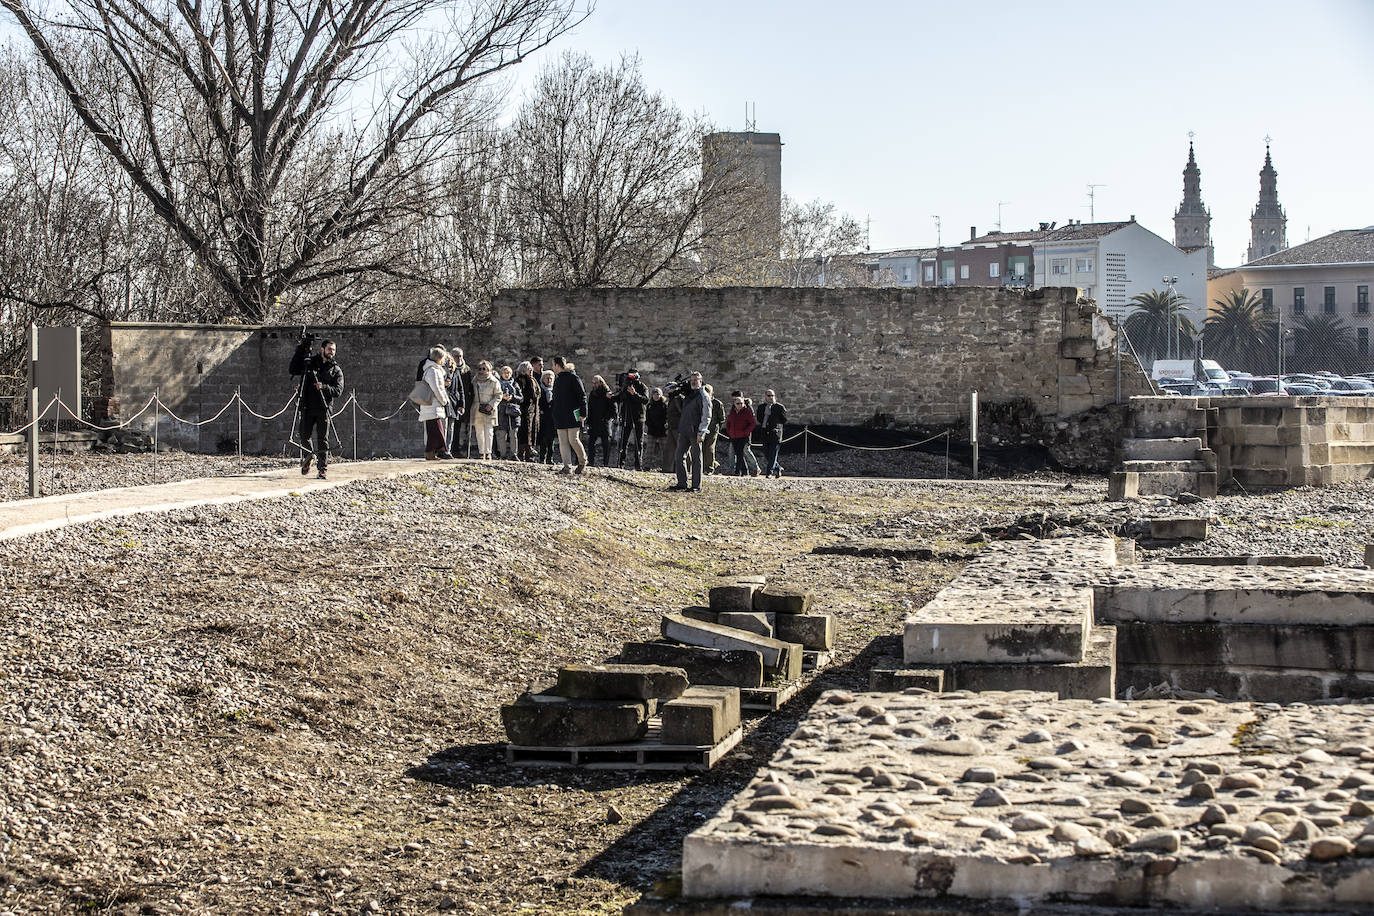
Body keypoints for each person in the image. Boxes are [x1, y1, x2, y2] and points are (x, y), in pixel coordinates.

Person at [291, 336, 344, 479]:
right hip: (307, 406)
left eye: (333, 350)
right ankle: (308, 459)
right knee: (304, 436)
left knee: (323, 440)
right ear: (322, 349)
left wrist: (324, 387)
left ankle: (322, 469)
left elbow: (338, 391)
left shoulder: (335, 369)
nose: (331, 352)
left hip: (324, 408)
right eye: (329, 349)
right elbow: (293, 368)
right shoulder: (311, 363)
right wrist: (301, 350)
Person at [670, 371, 711, 492]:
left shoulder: (704, 396)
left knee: (696, 458)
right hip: (684, 430)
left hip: (696, 431)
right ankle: (682, 483)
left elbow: (706, 416)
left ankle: (696, 486)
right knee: (679, 456)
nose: (693, 381)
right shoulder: (689, 393)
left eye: (696, 379)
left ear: (701, 380)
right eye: (692, 379)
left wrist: (702, 432)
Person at [550, 355, 588, 474]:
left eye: (553, 365)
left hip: (572, 415)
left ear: (557, 365)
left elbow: (582, 396)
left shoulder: (573, 378)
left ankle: (582, 461)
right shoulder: (558, 380)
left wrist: (583, 412)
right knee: (563, 441)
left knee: (573, 440)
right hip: (560, 415)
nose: (552, 367)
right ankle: (567, 466)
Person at [416, 346, 451, 461]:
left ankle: (431, 452)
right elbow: (436, 388)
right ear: (439, 358)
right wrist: (444, 400)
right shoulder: (433, 371)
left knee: (434, 430)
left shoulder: (434, 370)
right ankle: (434, 451)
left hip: (433, 405)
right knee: (436, 430)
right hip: (433, 405)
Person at [469, 360, 503, 460]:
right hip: (477, 408)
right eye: (480, 369)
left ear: (488, 370)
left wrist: (491, 404)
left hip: (489, 409)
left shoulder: (494, 381)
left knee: (489, 431)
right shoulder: (474, 381)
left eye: (484, 368)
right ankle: (481, 452)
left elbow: (499, 395)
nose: (482, 371)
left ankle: (488, 452)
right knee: (479, 432)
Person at [616, 372, 649, 470]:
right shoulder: (626, 386)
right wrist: (612, 396)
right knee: (623, 441)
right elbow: (620, 398)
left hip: (639, 417)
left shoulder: (643, 387)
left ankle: (638, 464)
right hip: (627, 417)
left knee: (639, 442)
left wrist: (634, 394)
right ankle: (621, 463)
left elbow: (645, 400)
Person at [584, 375, 616, 466]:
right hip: (594, 422)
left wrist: (606, 419)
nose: (594, 385)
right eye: (593, 383)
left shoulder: (607, 393)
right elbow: (590, 408)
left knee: (606, 444)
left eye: (596, 383)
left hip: (604, 423)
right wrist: (588, 421)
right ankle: (591, 461)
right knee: (591, 444)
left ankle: (606, 463)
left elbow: (613, 409)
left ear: (601, 383)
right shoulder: (593, 394)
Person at [756, 388, 787, 478]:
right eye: (768, 396)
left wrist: (776, 425)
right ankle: (778, 467)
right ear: (765, 397)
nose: (770, 397)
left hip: (775, 433)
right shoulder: (761, 407)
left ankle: (769, 472)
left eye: (772, 395)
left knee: (773, 453)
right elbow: (759, 418)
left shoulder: (779, 407)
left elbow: (784, 419)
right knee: (767, 453)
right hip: (765, 432)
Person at [725, 393, 757, 476]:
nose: (740, 405)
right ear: (734, 404)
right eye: (737, 403)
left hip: (743, 436)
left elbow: (752, 423)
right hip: (734, 436)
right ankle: (744, 471)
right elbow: (728, 422)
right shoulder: (732, 412)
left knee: (740, 453)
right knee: (737, 453)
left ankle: (738, 471)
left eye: (741, 403)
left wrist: (746, 432)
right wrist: (729, 432)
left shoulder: (747, 411)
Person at [516, 358, 541, 462]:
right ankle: (523, 454)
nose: (530, 371)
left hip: (533, 410)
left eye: (531, 369)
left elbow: (537, 394)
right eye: (528, 369)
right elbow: (523, 395)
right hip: (524, 410)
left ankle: (529, 454)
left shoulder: (533, 380)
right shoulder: (521, 380)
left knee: (531, 432)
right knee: (524, 433)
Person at [495, 364, 520, 459]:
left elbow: (521, 398)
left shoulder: (515, 384)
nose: (507, 374)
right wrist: (502, 397)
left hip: (513, 412)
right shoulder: (497, 383)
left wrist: (512, 397)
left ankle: (514, 454)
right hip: (501, 411)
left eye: (509, 373)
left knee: (513, 434)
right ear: (501, 373)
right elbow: (494, 395)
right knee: (501, 434)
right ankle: (503, 455)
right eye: (505, 373)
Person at [443, 352, 465, 454]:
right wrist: (444, 384)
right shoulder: (441, 371)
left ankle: (448, 449)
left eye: (449, 359)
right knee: (444, 426)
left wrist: (462, 405)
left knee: (451, 427)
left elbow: (461, 389)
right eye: (446, 360)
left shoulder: (456, 371)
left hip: (454, 402)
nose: (448, 361)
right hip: (444, 401)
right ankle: (442, 449)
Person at [702, 383, 725, 475]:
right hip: (702, 428)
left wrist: (717, 428)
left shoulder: (717, 403)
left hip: (713, 429)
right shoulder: (701, 401)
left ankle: (709, 468)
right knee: (702, 448)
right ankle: (703, 466)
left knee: (710, 448)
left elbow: (721, 418)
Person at [645, 387, 668, 472]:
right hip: (652, 430)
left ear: (661, 395)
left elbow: (666, 417)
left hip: (662, 430)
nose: (656, 396)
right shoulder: (650, 405)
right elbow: (647, 418)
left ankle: (666, 466)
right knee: (649, 450)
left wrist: (664, 426)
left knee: (665, 449)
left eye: (658, 394)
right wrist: (650, 426)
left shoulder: (664, 405)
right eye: (655, 394)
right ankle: (646, 466)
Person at [536, 369, 557, 465]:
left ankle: (550, 458)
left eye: (551, 378)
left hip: (553, 418)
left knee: (551, 440)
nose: (549, 380)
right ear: (543, 379)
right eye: (547, 378)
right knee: (543, 439)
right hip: (543, 418)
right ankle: (542, 458)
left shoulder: (555, 390)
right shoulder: (540, 389)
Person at [662, 385, 683, 473]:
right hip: (671, 427)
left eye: (670, 389)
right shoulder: (671, 399)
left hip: (678, 427)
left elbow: (682, 412)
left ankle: (685, 469)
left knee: (682, 449)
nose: (668, 391)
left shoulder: (678, 399)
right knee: (669, 448)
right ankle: (668, 469)